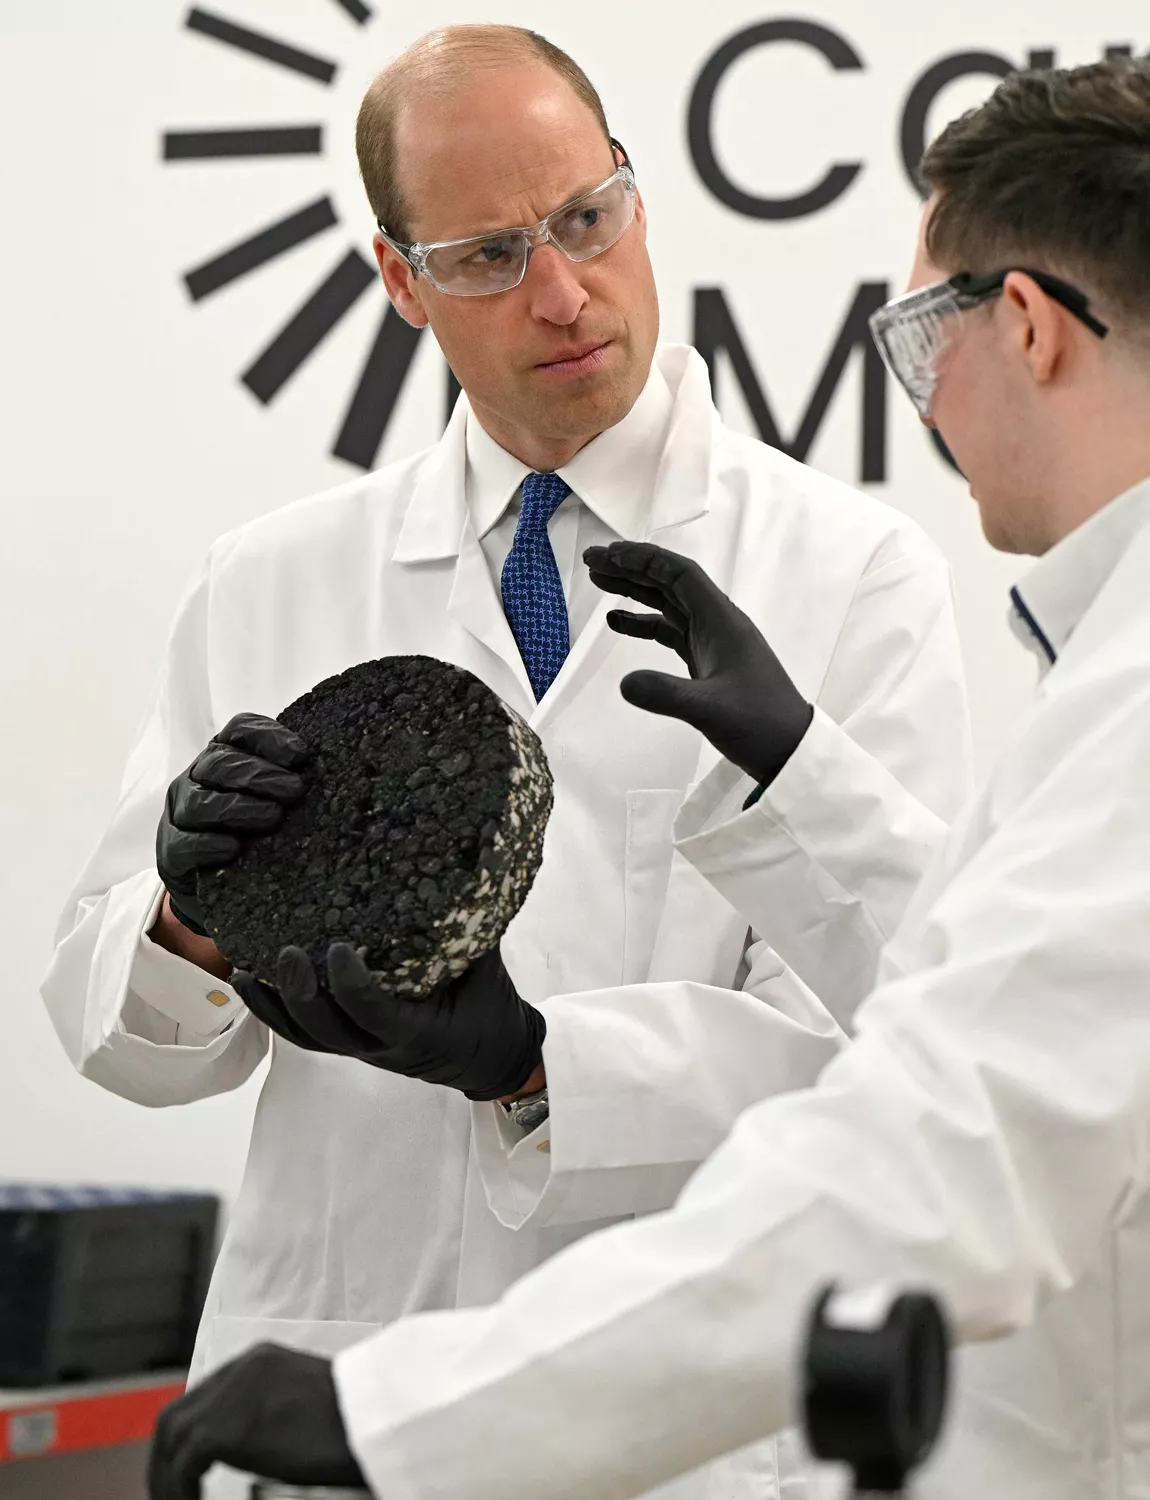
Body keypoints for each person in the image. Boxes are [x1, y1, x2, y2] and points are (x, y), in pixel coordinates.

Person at [143, 53, 1150, 1500]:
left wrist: (413, 1403)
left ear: (1034, 332)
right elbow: (980, 987)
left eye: (922, 332)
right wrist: (801, 778)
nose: (558, 291)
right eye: (489, 254)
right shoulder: (266, 575)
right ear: (404, 280)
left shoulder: (1044, 656)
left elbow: (925, 1142)